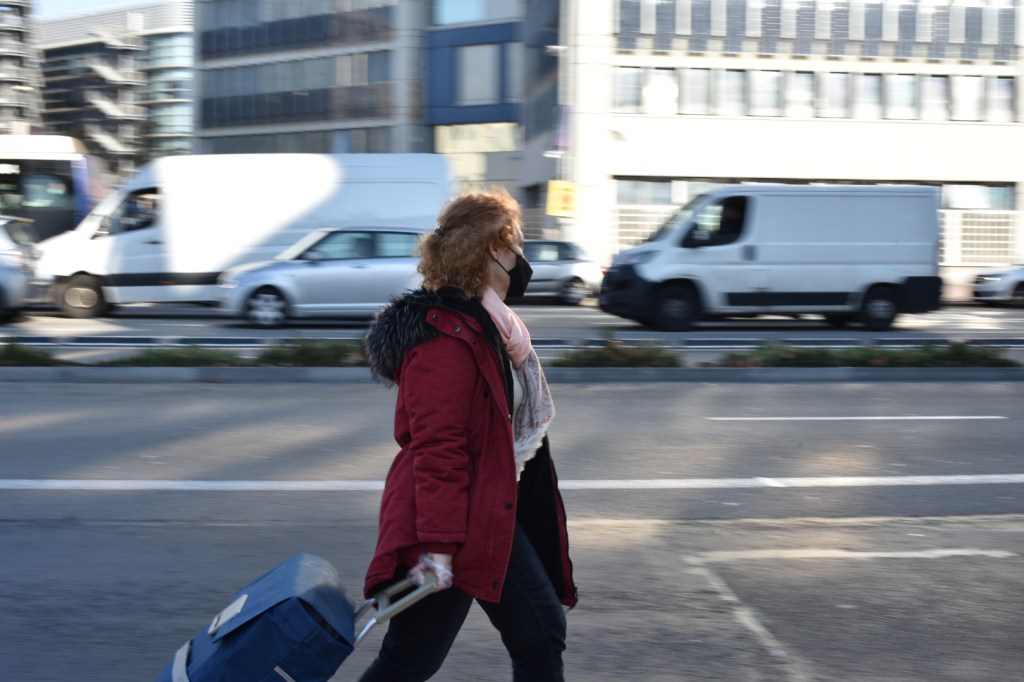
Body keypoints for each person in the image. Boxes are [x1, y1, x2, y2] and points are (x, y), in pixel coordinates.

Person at [360, 187, 577, 681]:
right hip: (454, 523)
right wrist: (438, 547)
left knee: (537, 635)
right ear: (492, 249)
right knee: (414, 660)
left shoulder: (489, 327)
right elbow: (438, 448)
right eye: (515, 245)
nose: (520, 258)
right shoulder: (446, 338)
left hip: (485, 509)